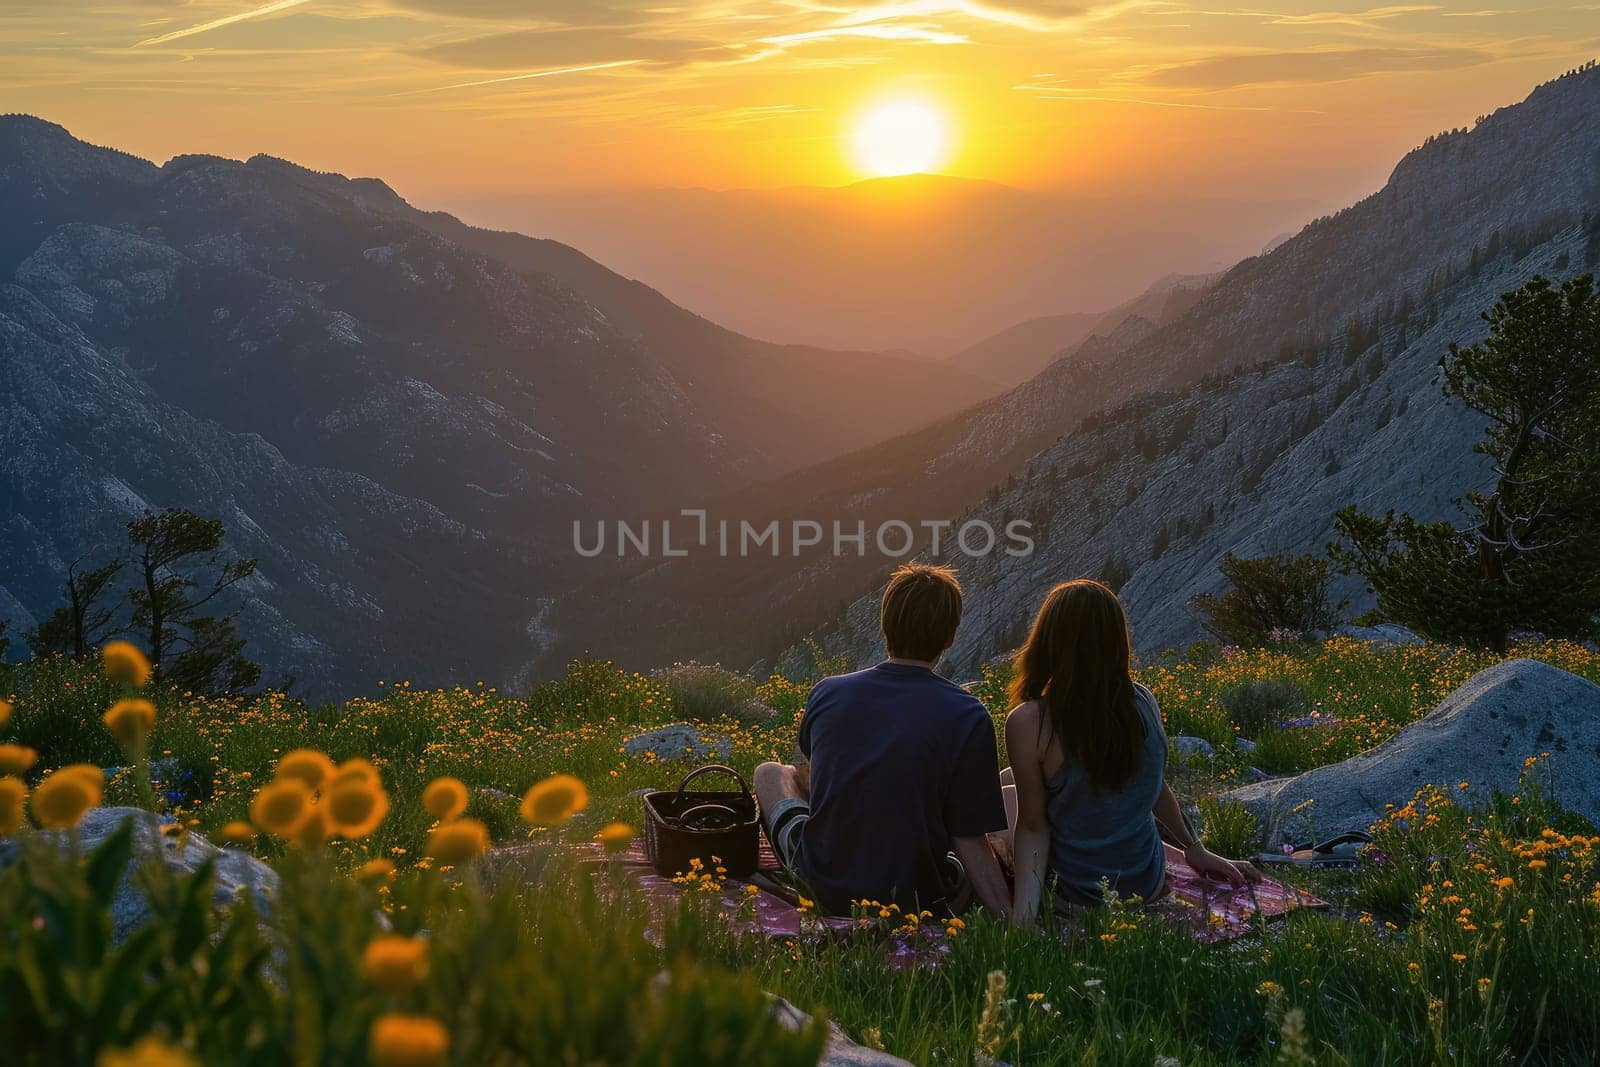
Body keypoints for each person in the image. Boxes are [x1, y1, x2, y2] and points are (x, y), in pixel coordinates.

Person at [754, 563, 1011, 918]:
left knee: (769, 773)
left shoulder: (828, 692)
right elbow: (969, 838)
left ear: (885, 625)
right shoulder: (968, 714)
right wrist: (1011, 918)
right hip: (913, 896)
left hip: (823, 886)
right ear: (950, 637)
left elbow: (811, 776)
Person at [999, 579, 1258, 925]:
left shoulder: (1030, 721)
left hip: (1080, 895)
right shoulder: (1143, 702)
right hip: (1146, 883)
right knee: (1010, 779)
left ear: (1048, 642)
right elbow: (1153, 784)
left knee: (1002, 798)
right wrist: (1193, 848)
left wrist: (1024, 918)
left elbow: (1033, 826)